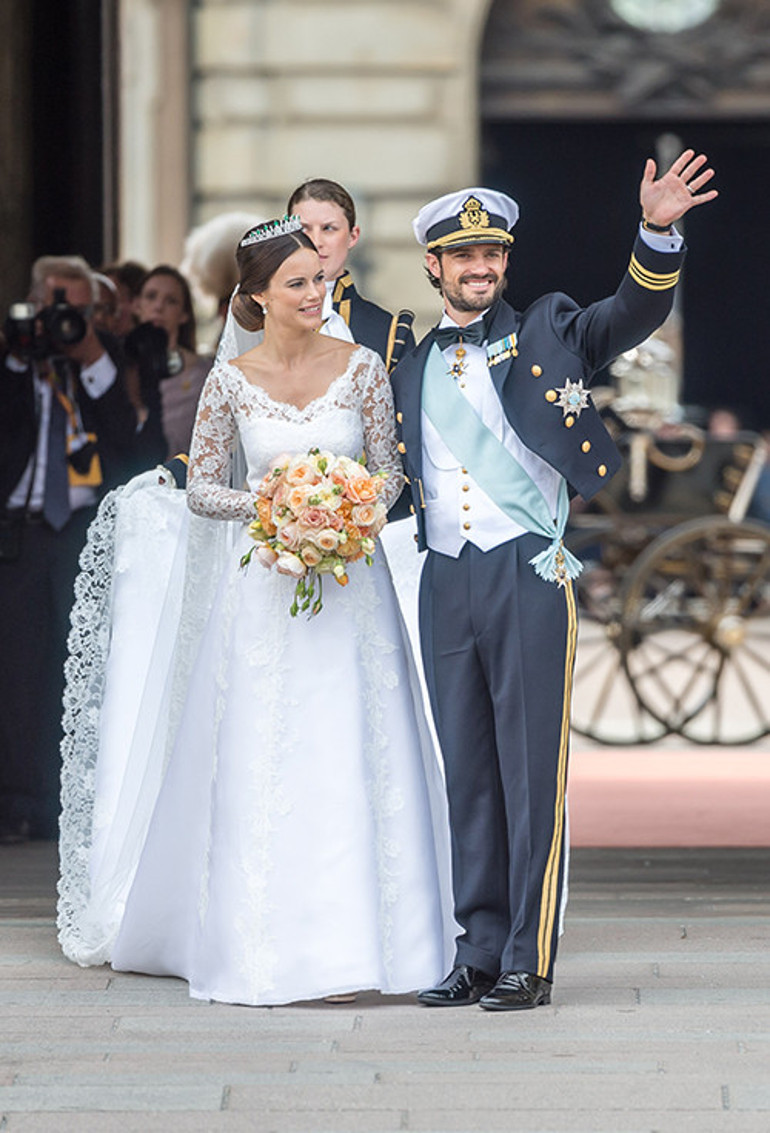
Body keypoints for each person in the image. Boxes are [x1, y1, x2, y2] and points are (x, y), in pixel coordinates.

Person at [57, 217, 454, 1006]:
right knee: (265, 747)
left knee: (354, 740)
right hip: (264, 585)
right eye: (298, 282)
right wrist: (273, 508)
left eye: (320, 277)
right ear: (257, 298)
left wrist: (345, 510)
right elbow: (203, 486)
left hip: (352, 589)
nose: (315, 293)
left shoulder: (366, 368)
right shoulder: (232, 381)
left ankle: (381, 941)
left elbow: (392, 476)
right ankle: (260, 942)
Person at [390, 148, 718, 1011]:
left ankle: (526, 960)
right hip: (444, 576)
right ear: (435, 267)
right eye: (463, 256)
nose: (480, 267)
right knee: (466, 770)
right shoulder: (410, 364)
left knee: (531, 770)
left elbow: (633, 309)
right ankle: (476, 947)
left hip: (527, 570)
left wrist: (655, 232)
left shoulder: (551, 329)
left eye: (492, 254)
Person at [0, 255, 137, 842]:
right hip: (18, 534)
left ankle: (66, 802)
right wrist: (16, 354)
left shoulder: (104, 360)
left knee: (77, 667)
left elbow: (132, 442)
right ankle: (15, 800)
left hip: (80, 533)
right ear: (32, 301)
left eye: (77, 310)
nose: (65, 319)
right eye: (56, 305)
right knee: (16, 669)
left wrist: (89, 357)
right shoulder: (11, 361)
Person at [287, 178, 414, 370]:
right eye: (303, 229)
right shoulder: (262, 317)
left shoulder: (389, 331)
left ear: (353, 236)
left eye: (328, 228)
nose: (315, 241)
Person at [125, 264, 213, 464]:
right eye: (151, 296)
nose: (158, 307)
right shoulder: (122, 364)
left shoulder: (204, 374)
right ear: (136, 305)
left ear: (184, 314)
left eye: (171, 301)